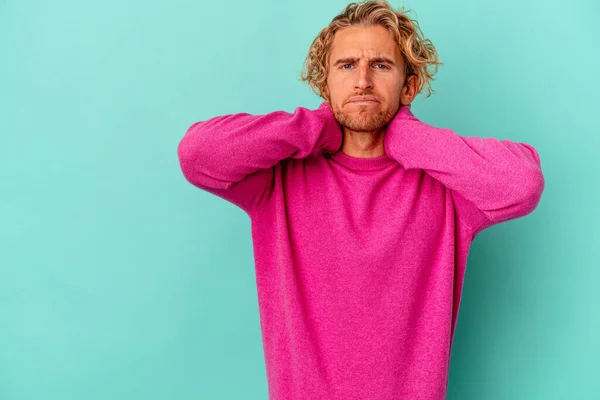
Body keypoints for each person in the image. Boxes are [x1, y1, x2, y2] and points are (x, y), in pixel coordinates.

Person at [177, 0, 545, 398]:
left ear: (409, 86)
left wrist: (407, 137)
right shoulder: (275, 183)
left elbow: (522, 182)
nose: (363, 81)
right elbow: (197, 153)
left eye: (381, 65)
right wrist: (314, 126)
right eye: (347, 65)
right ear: (325, 82)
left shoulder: (449, 190)